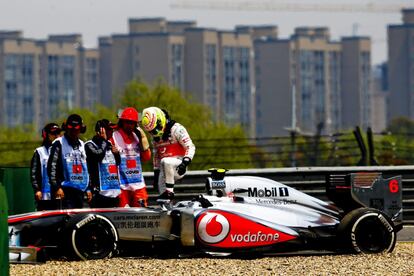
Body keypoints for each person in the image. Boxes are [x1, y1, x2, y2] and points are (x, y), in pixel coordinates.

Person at [141, 107, 195, 200]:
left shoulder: (177, 129)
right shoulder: (154, 138)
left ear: (160, 120)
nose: (154, 133)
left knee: (166, 161)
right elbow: (156, 157)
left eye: (155, 129)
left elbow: (190, 146)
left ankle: (170, 192)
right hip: (164, 169)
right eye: (151, 131)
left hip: (179, 165)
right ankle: (166, 205)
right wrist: (156, 175)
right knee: (162, 197)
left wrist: (185, 162)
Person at [47, 114, 91, 209]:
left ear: (81, 129)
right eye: (71, 129)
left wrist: (88, 188)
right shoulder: (58, 143)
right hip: (65, 191)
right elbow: (52, 167)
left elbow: (86, 169)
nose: (73, 132)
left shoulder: (82, 145)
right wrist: (57, 187)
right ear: (66, 128)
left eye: (76, 129)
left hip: (81, 191)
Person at [110, 107, 151, 207]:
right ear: (122, 122)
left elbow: (146, 158)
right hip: (122, 186)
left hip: (138, 185)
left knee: (142, 216)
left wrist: (143, 139)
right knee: (122, 217)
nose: (129, 125)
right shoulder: (114, 136)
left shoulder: (138, 136)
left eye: (132, 123)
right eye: (127, 122)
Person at [85, 119, 121, 208]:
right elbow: (98, 156)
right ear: (100, 131)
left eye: (112, 129)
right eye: (109, 129)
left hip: (114, 193)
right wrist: (103, 141)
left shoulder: (109, 144)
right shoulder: (89, 145)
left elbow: (117, 164)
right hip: (99, 194)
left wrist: (117, 154)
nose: (112, 131)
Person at [30, 123, 62, 210]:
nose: (56, 136)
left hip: (60, 193)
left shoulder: (64, 150)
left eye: (58, 133)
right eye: (53, 133)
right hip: (45, 195)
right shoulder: (39, 152)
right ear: (46, 135)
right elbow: (34, 173)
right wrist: (37, 190)